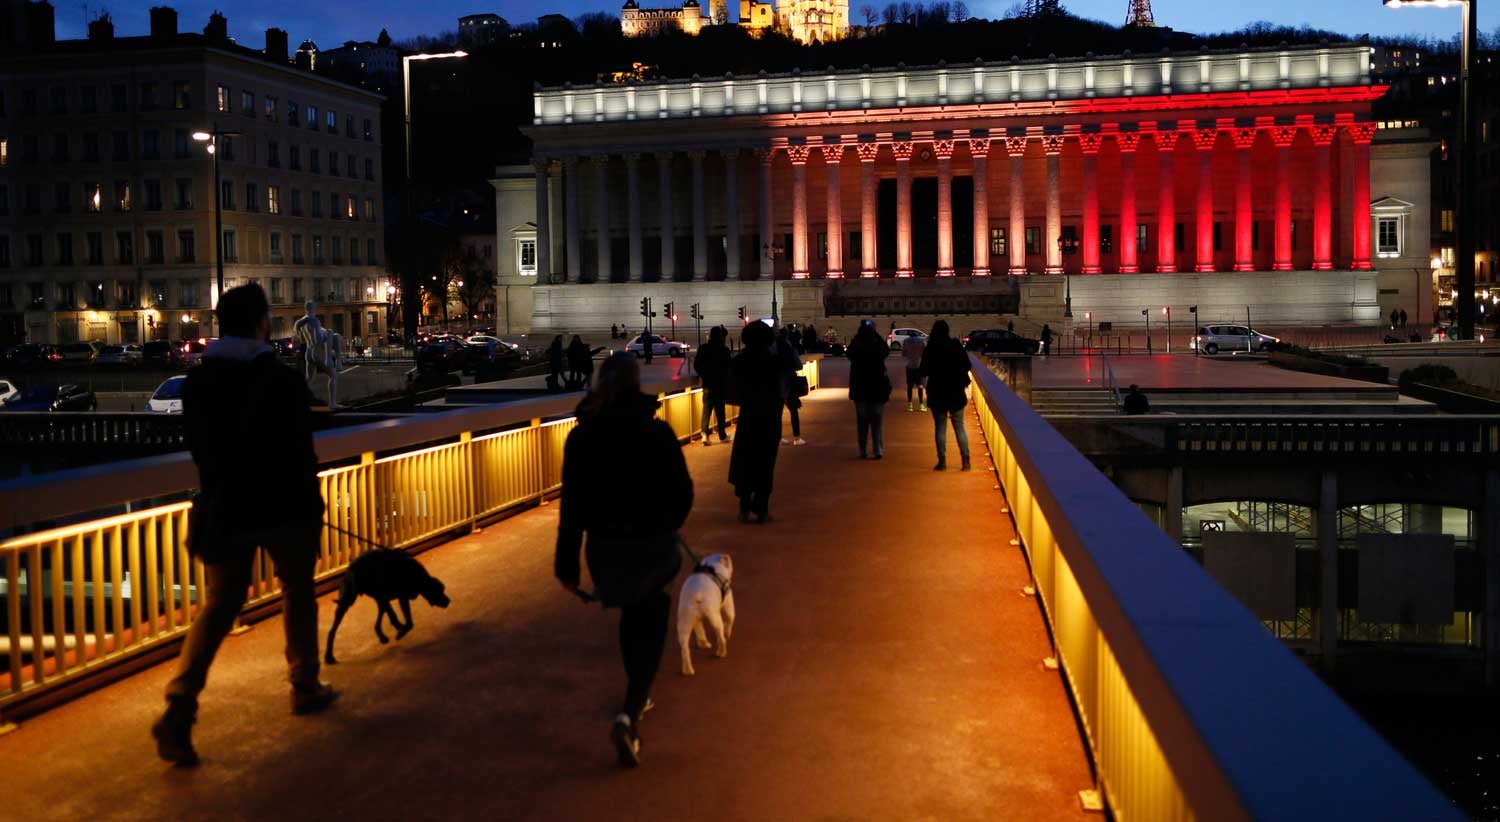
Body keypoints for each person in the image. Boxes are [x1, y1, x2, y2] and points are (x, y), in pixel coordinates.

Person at [151, 283, 335, 767]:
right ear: (261, 323)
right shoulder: (280, 378)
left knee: (219, 606)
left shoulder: (199, 382)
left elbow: (201, 450)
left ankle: (180, 704)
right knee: (297, 591)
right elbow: (300, 447)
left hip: (226, 507)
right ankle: (304, 684)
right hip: (283, 505)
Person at [555, 353, 693, 768]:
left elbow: (571, 506)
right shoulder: (657, 432)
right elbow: (682, 491)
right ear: (636, 384)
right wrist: (668, 523)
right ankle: (631, 710)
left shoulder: (581, 438)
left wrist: (566, 563)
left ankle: (637, 694)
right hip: (653, 544)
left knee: (631, 613)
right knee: (652, 619)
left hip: (605, 547)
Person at [728, 321, 785, 523]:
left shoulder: (739, 361)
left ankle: (744, 508)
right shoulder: (773, 361)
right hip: (770, 416)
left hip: (748, 415)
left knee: (745, 460)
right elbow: (782, 387)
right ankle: (761, 509)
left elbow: (732, 389)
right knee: (765, 462)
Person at [920, 319, 972, 471]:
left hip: (937, 392)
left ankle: (942, 461)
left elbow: (923, 370)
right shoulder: (955, 345)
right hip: (956, 391)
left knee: (940, 428)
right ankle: (965, 460)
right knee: (959, 427)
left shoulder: (931, 348)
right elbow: (968, 365)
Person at [846, 319, 891, 460]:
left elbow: (849, 354)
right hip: (877, 387)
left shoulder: (856, 343)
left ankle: (862, 450)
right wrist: (876, 333)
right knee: (877, 422)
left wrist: (858, 336)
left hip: (860, 388)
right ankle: (878, 450)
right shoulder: (877, 343)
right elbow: (886, 351)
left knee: (862, 422)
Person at [693, 325, 732, 446]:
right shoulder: (723, 349)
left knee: (706, 410)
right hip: (720, 384)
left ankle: (704, 434)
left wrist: (704, 374)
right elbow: (729, 366)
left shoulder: (703, 348)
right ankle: (722, 435)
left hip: (707, 383)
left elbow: (696, 364)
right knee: (720, 411)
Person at [776, 326, 806, 446]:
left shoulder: (773, 349)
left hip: (776, 383)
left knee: (777, 413)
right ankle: (797, 438)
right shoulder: (790, 349)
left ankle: (779, 437)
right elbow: (799, 365)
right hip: (789, 382)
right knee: (793, 411)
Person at [901, 331, 927, 412]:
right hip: (919, 366)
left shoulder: (906, 341)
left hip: (910, 366)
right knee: (920, 386)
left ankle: (910, 405)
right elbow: (924, 353)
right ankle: (921, 405)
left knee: (909, 386)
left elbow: (903, 354)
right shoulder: (921, 341)